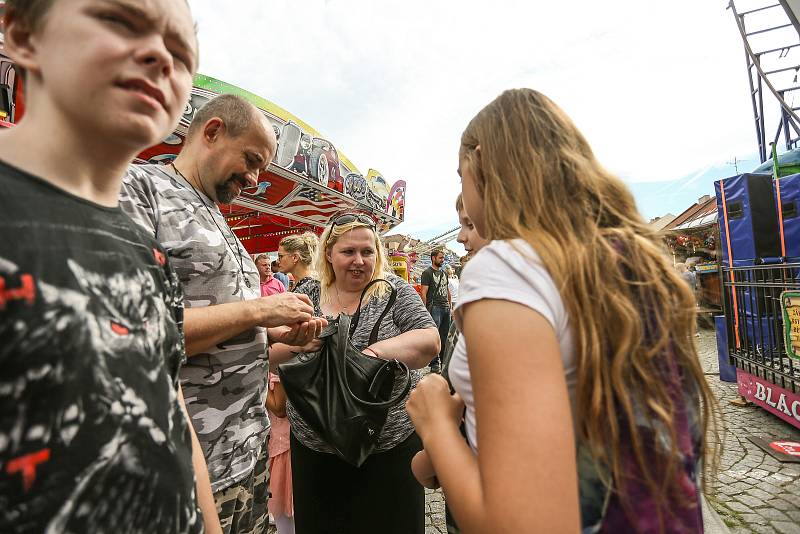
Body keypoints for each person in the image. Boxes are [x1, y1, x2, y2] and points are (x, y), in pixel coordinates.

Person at [407, 89, 719, 533]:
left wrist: (434, 422)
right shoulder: (629, 262)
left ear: (482, 163)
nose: (463, 193)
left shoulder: (508, 266)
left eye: (461, 177)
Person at [0, 1, 223, 532]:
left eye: (180, 53)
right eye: (120, 20)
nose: (159, 58)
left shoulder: (145, 248)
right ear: (22, 33)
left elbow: (168, 402)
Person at [120, 94, 326, 534]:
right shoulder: (139, 189)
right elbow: (136, 335)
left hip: (247, 456)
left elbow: (225, 332)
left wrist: (281, 339)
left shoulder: (217, 214)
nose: (253, 179)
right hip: (191, 469)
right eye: (251, 160)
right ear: (212, 132)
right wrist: (260, 309)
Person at [270, 212, 440, 534]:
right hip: (316, 451)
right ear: (329, 254)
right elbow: (273, 356)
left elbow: (430, 340)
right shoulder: (308, 294)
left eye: (367, 251)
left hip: (388, 448)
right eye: (348, 252)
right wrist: (302, 343)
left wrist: (369, 356)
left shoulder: (394, 291)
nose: (359, 261)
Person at [265, 371, 294, 534]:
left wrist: (257, 379)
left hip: (285, 447)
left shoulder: (277, 366)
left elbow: (279, 407)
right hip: (282, 443)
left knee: (284, 506)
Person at [420, 248, 451, 372]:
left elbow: (447, 290)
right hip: (435, 308)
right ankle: (434, 364)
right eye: (440, 258)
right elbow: (423, 293)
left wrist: (450, 306)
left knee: (444, 337)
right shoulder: (427, 273)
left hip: (445, 308)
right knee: (434, 337)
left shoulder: (444, 273)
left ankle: (443, 363)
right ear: (433, 258)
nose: (442, 260)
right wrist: (424, 310)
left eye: (443, 258)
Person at [276, 232, 320, 300]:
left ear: (295, 257)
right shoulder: (305, 285)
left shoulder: (313, 287)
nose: (277, 261)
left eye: (280, 256)